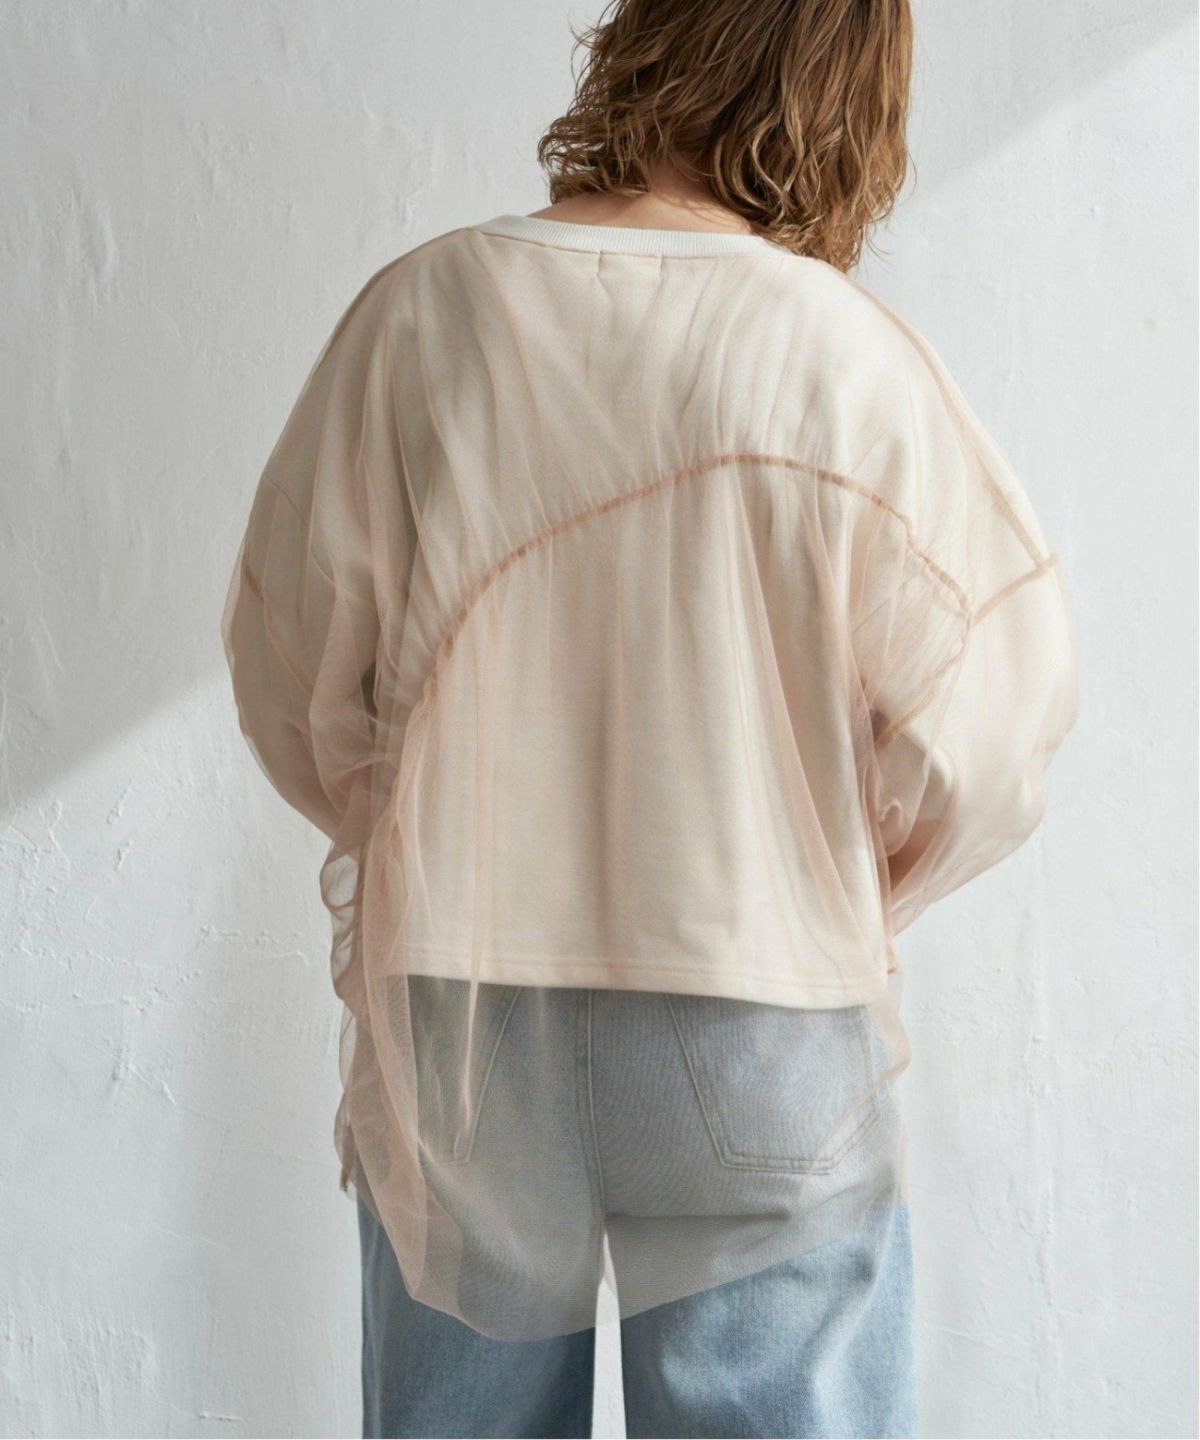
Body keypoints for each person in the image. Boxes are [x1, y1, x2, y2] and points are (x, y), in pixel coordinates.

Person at [220, 0, 1079, 1435]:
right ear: (845, 92)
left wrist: (417, 824)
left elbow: (286, 663)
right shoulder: (843, 357)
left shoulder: (426, 314)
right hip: (759, 990)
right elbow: (996, 720)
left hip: (466, 1004)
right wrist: (838, 868)